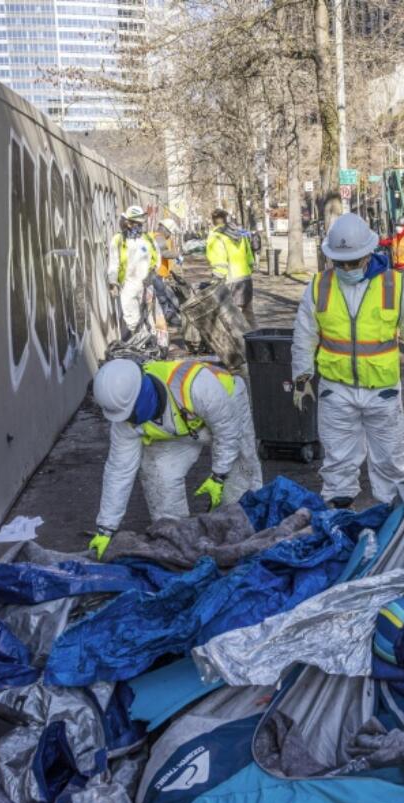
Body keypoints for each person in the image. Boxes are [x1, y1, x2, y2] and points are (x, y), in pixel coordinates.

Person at [291, 213, 404, 508]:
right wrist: (301, 378)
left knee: (390, 465)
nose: (346, 268)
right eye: (339, 263)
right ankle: (340, 520)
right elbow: (304, 334)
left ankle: (389, 525)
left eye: (352, 262)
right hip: (336, 390)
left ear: (368, 254)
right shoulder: (320, 286)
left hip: (381, 391)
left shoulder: (393, 285)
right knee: (337, 465)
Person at [87, 358, 263, 557]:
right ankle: (177, 539)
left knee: (241, 475)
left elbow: (228, 431)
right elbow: (119, 470)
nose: (127, 420)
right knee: (158, 472)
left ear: (143, 395)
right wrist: (106, 527)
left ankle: (245, 532)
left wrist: (218, 475)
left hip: (227, 407)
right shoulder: (125, 419)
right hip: (180, 428)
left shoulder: (197, 385)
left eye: (129, 413)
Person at [107, 205, 159, 335]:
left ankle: (152, 344)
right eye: (136, 223)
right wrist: (113, 282)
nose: (139, 226)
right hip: (128, 285)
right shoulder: (118, 240)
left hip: (147, 284)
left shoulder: (148, 239)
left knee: (149, 318)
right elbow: (114, 262)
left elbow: (156, 257)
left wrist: (152, 273)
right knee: (132, 319)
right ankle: (139, 343)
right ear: (128, 223)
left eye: (141, 223)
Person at [206, 209, 257, 328]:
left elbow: (220, 264)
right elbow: (250, 259)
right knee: (248, 313)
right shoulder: (239, 235)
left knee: (232, 319)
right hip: (246, 280)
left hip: (230, 282)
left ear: (213, 221)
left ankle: (240, 344)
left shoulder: (216, 237)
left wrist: (215, 282)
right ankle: (257, 342)